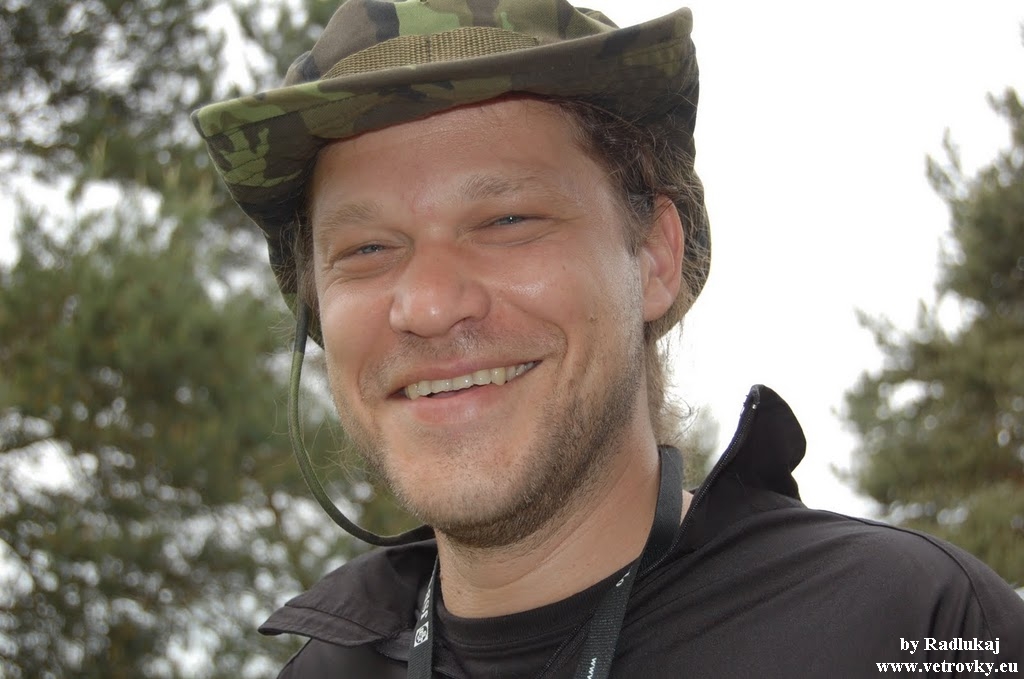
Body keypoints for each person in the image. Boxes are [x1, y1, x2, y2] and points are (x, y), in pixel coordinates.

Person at [192, 1, 1024, 676]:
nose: (431, 304)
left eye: (508, 220)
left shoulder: (917, 628)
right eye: (367, 248)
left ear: (656, 257)